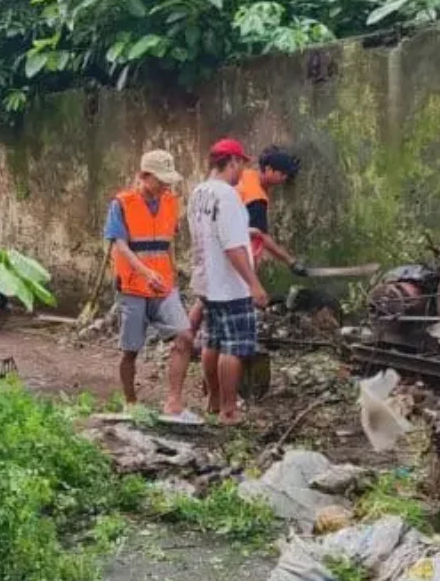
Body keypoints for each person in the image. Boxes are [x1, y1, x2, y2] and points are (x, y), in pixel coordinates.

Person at [105, 150, 194, 416]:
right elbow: (120, 244)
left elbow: (169, 243)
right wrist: (144, 272)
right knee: (131, 349)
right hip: (133, 285)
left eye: (169, 180)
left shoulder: (171, 201)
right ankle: (131, 403)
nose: (166, 185)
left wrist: (173, 273)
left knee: (185, 335)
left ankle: (174, 402)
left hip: (163, 284)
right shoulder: (122, 204)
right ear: (144, 176)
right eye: (161, 180)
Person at [188, 139, 269, 424]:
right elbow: (233, 246)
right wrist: (253, 284)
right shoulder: (228, 196)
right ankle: (228, 410)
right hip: (229, 284)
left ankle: (213, 401)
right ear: (232, 161)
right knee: (233, 347)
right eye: (241, 164)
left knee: (213, 341)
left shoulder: (198, 193)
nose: (241, 170)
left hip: (206, 280)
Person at [236, 146, 306, 271]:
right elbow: (262, 236)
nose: (285, 178)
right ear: (268, 169)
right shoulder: (257, 198)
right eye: (282, 174)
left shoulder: (248, 174)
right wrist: (290, 261)